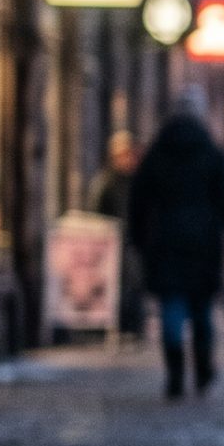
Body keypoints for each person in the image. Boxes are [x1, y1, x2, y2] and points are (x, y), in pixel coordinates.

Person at [127, 93, 224, 397]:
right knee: (202, 309)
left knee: (172, 306)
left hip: (165, 242)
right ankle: (204, 368)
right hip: (204, 243)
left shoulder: (157, 153)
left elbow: (137, 201)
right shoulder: (212, 153)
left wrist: (138, 239)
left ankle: (175, 372)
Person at [90, 131, 145, 340]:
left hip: (132, 241)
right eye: (125, 155)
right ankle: (117, 325)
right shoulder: (106, 182)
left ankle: (133, 326)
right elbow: (97, 211)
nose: (129, 159)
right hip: (111, 243)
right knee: (115, 283)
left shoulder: (137, 182)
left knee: (134, 282)